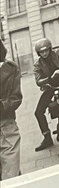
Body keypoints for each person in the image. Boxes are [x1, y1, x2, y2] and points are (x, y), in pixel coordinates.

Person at [0, 38, 23, 179]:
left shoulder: (12, 68)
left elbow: (16, 98)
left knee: (10, 175)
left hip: (6, 124)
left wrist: (2, 105)